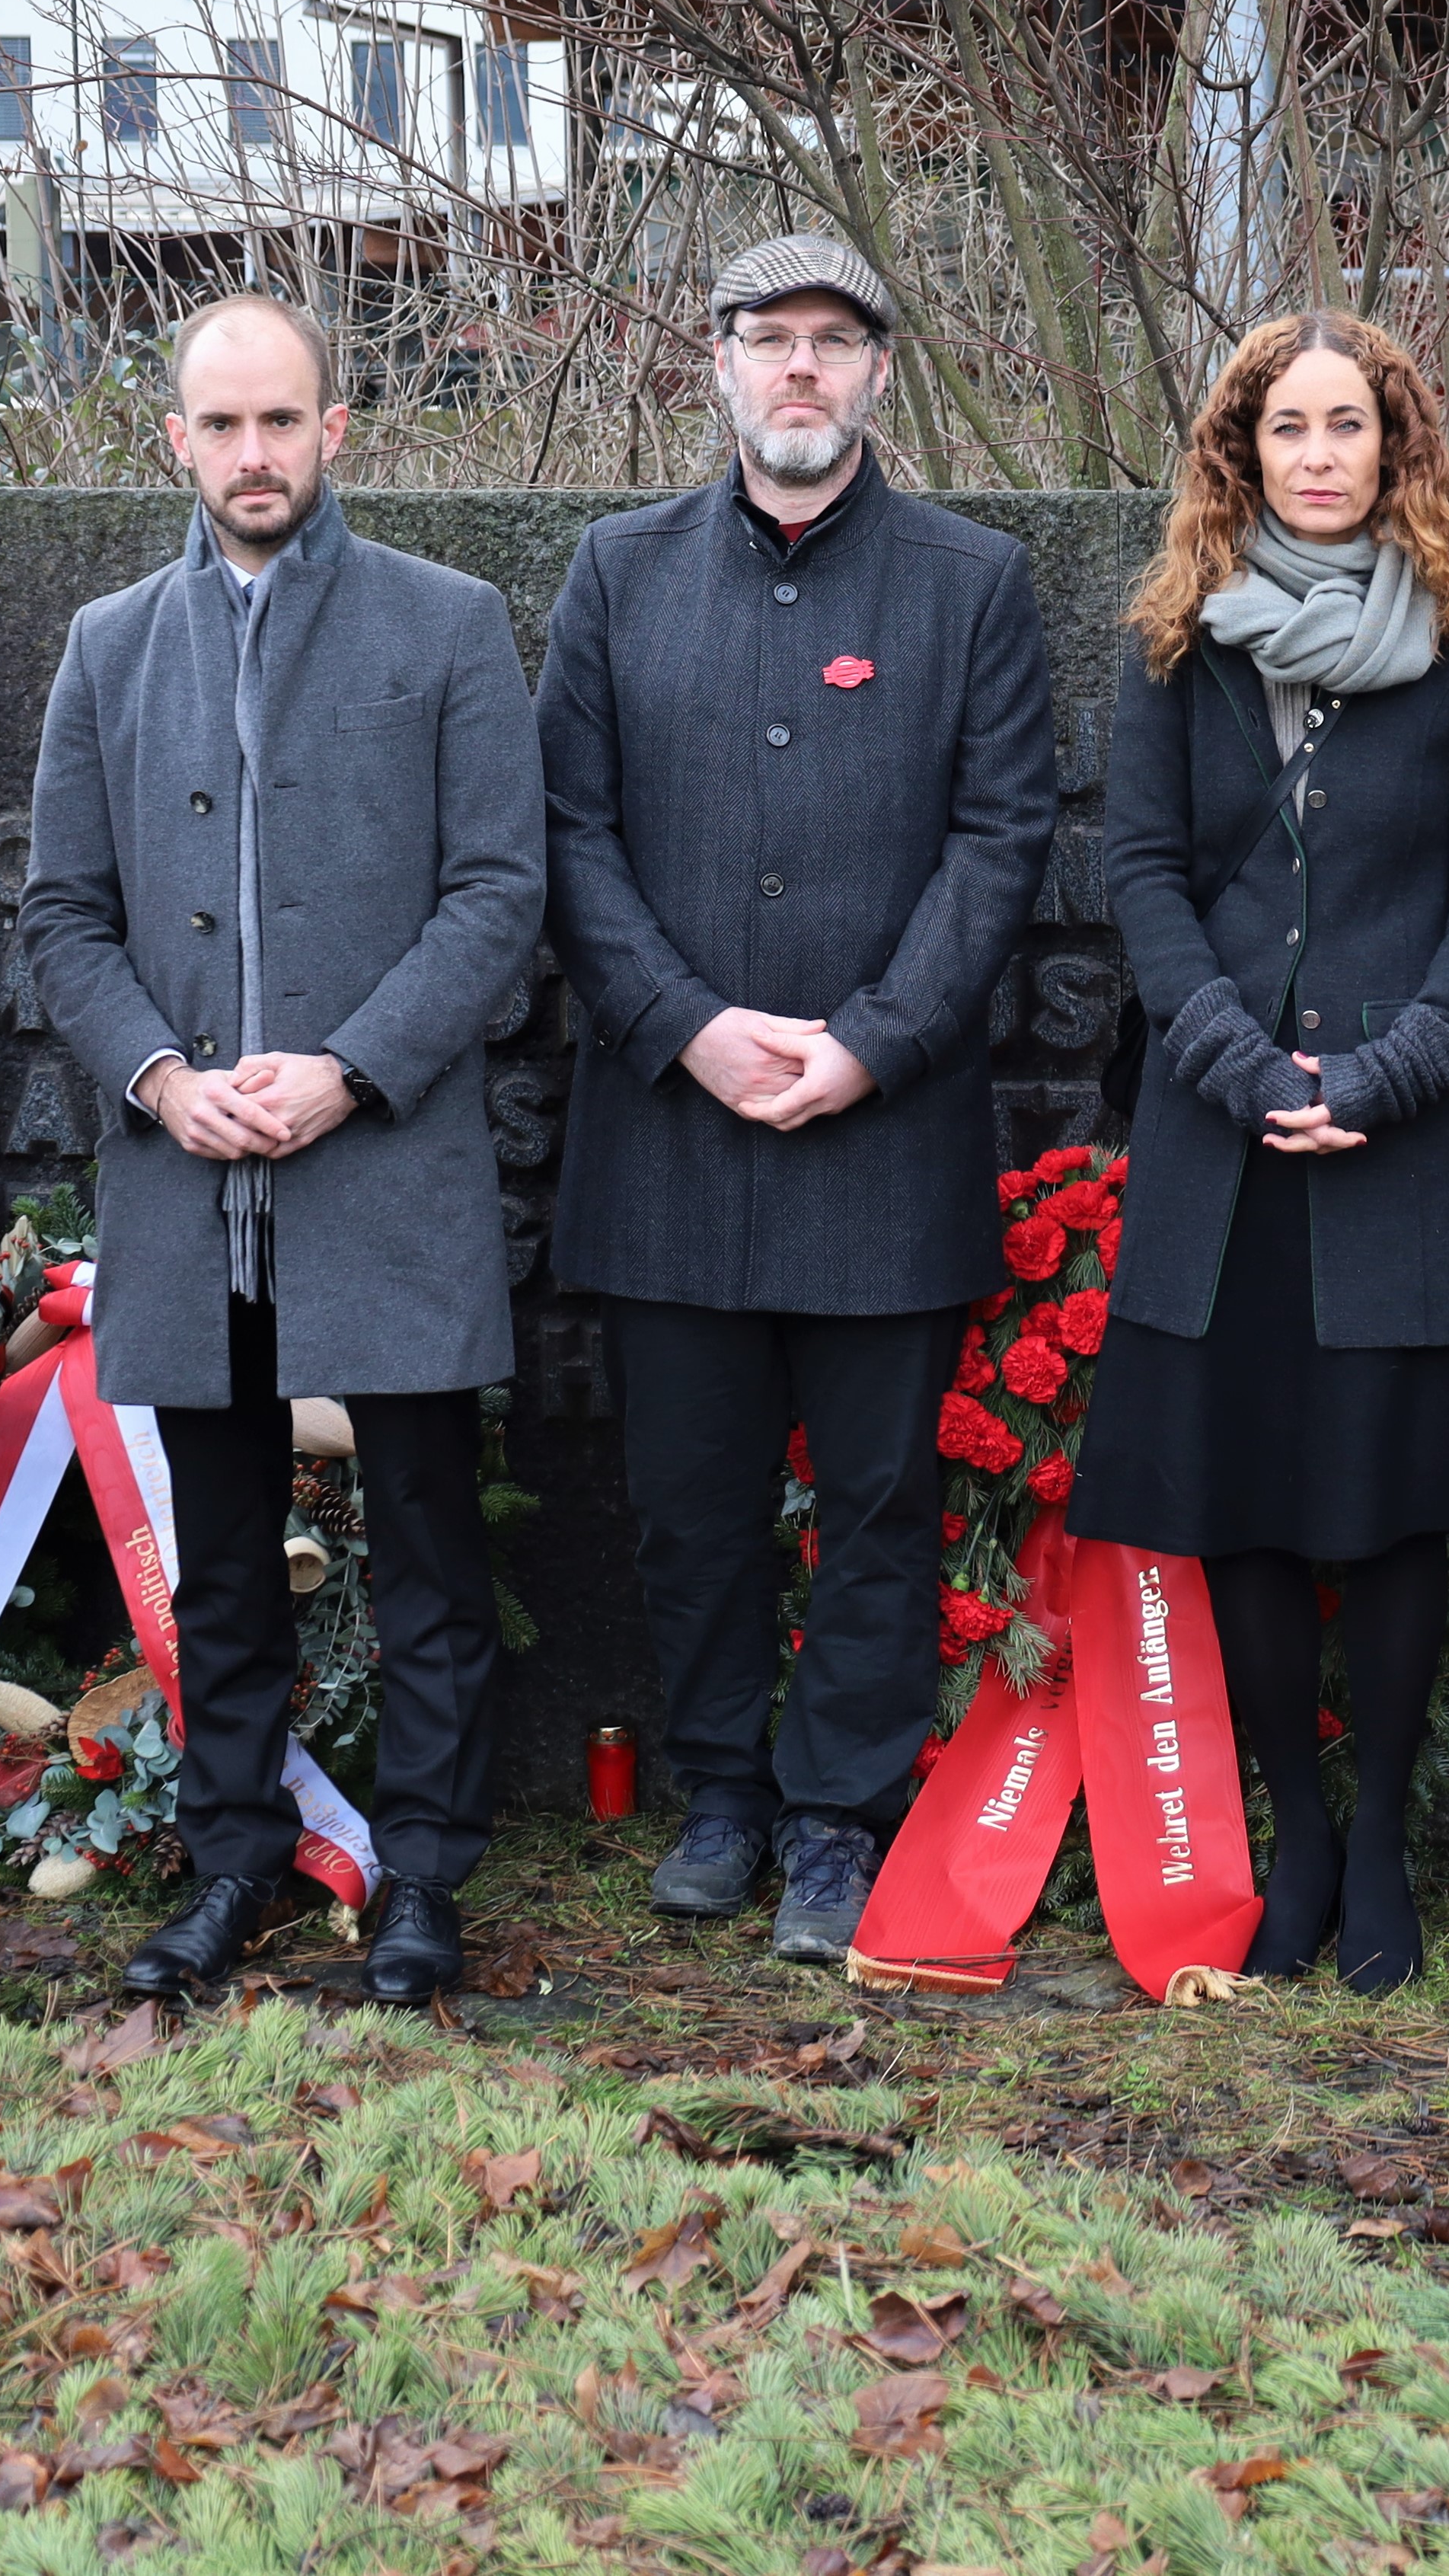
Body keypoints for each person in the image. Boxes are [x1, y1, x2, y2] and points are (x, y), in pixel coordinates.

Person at [20, 293, 546, 2007]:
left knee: (428, 1552)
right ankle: (236, 1853)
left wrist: (352, 1068)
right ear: (173, 438)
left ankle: (426, 1876)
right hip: (189, 1188)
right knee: (223, 1560)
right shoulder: (107, 644)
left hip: (380, 1175)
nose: (254, 453)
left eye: (282, 422)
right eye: (221, 425)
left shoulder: (449, 625)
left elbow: (499, 897)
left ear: (338, 433)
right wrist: (164, 1081)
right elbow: (60, 919)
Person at [538, 232, 1058, 1965]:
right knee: (687, 1501)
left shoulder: (973, 583)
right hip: (672, 1132)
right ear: (719, 364)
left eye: (836, 342)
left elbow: (1001, 846)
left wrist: (872, 1039)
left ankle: (840, 1816)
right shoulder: (616, 576)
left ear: (883, 372)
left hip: (881, 1133)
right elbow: (568, 837)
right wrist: (683, 1024)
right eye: (772, 341)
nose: (802, 372)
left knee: (881, 1506)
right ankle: (722, 1798)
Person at [1076, 312, 1449, 1997]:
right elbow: (1140, 878)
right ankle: (1302, 1838)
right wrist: (1231, 1058)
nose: (1323, 455)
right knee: (1248, 1509)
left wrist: (1403, 1065)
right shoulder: (1174, 645)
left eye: (1353, 426)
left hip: (1396, 1146)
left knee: (1389, 1514)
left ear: (1397, 448)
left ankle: (1392, 1843)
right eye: (1293, 429)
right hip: (1224, 1145)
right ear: (1243, 452)